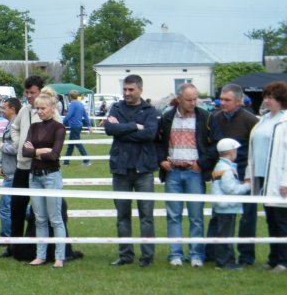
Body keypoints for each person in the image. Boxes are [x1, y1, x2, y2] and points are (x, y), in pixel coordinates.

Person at [156, 83, 215, 267]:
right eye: (189, 99)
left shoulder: (205, 117)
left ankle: (196, 254)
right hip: (172, 172)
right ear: (179, 99)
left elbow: (215, 145)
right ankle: (175, 254)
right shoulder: (167, 117)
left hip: (194, 173)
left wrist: (201, 164)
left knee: (196, 217)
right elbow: (157, 142)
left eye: (195, 99)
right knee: (173, 216)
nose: (193, 103)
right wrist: (161, 160)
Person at [105, 74, 160, 268]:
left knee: (146, 216)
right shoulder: (116, 107)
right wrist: (134, 127)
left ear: (140, 90)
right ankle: (125, 255)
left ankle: (147, 256)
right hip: (120, 170)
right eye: (125, 89)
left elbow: (149, 134)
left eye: (131, 89)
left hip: (143, 170)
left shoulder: (150, 111)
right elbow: (109, 129)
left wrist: (122, 130)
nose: (127, 93)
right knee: (122, 215)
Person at [207, 83, 259, 266]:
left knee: (247, 216)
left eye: (227, 100)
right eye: (221, 99)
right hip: (222, 172)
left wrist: (248, 176)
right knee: (219, 214)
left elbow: (255, 150)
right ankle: (213, 253)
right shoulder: (215, 117)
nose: (222, 103)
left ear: (239, 101)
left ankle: (246, 256)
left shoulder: (251, 120)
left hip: (244, 172)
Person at [245, 80, 287, 273]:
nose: (266, 100)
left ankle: (284, 261)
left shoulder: (284, 122)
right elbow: (253, 150)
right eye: (266, 97)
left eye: (270, 97)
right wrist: (249, 174)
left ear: (280, 99)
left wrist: (285, 181)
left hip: (278, 178)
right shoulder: (263, 119)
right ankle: (273, 258)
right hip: (262, 176)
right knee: (270, 219)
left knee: (281, 220)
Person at [22, 93, 67, 268]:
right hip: (34, 177)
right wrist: (40, 152)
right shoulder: (33, 127)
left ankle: (59, 257)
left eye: (43, 108)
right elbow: (25, 152)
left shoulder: (59, 128)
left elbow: (54, 155)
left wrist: (34, 151)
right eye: (37, 108)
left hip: (51, 176)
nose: (39, 111)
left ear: (52, 108)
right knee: (39, 219)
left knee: (55, 218)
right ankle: (40, 255)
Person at [9, 76, 44, 261]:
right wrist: (18, 144)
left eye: (33, 92)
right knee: (17, 208)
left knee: (40, 211)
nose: (29, 96)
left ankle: (39, 249)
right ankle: (13, 247)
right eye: (27, 92)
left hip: (40, 168)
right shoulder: (24, 110)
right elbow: (14, 128)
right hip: (22, 167)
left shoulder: (48, 110)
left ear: (41, 92)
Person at [211, 139, 251, 271]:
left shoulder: (220, 166)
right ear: (231, 152)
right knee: (226, 236)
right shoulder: (227, 169)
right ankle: (224, 262)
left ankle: (225, 260)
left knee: (223, 234)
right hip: (227, 207)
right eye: (235, 150)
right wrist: (247, 186)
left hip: (222, 206)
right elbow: (231, 189)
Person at [0, 97, 20, 257]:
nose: (2, 110)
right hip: (8, 171)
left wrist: (1, 145)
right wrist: (0, 164)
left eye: (4, 108)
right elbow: (4, 150)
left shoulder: (17, 125)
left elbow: (17, 148)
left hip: (14, 173)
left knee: (4, 207)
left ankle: (8, 238)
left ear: (12, 109)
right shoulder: (9, 124)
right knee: (12, 206)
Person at [62, 90, 93, 166]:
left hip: (74, 126)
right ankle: (66, 161)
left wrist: (61, 123)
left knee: (78, 144)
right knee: (71, 144)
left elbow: (69, 115)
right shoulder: (81, 104)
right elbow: (85, 116)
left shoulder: (72, 104)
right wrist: (89, 126)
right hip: (78, 126)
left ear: (70, 97)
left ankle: (86, 160)